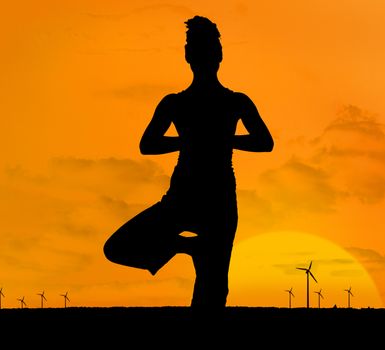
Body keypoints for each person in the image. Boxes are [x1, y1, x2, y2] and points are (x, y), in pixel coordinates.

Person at [103, 15, 273, 311]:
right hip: (181, 199)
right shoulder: (174, 103)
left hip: (217, 201)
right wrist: (190, 142)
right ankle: (189, 247)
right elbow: (148, 145)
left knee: (213, 290)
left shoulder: (236, 102)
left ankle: (191, 251)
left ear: (191, 57)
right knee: (118, 247)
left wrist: (221, 141)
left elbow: (265, 143)